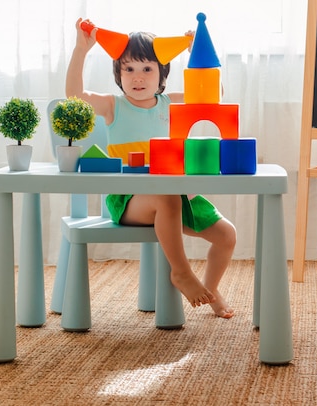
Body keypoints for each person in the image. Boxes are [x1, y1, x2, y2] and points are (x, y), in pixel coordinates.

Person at [65, 18, 236, 318]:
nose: (138, 77)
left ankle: (211, 290)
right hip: (129, 200)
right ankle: (181, 272)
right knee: (165, 196)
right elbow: (74, 97)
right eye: (128, 68)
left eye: (147, 68)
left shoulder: (170, 104)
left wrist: (197, 53)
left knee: (226, 235)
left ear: (162, 74)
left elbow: (213, 97)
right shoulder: (113, 106)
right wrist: (81, 50)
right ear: (118, 74)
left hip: (175, 196)